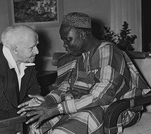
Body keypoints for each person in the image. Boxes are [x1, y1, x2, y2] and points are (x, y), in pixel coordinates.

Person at [17, 12, 151, 134]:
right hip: (84, 103)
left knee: (61, 132)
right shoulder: (77, 56)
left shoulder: (108, 51)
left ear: (82, 35)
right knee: (36, 126)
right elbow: (65, 87)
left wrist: (57, 109)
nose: (64, 45)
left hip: (117, 108)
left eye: (68, 39)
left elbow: (102, 96)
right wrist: (47, 102)